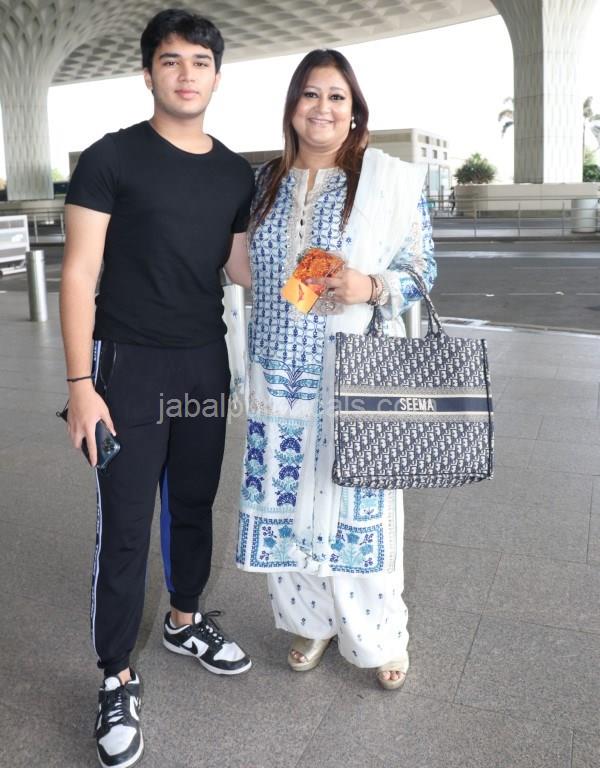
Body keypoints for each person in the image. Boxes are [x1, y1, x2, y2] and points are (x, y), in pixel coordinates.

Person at [60, 10, 254, 768]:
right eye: (171, 61)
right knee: (126, 525)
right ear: (149, 74)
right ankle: (115, 675)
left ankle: (184, 619)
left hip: (204, 363)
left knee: (194, 503)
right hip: (127, 369)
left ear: (216, 76)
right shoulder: (111, 158)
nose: (186, 74)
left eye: (200, 62)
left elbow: (239, 267)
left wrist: (326, 267)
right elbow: (79, 272)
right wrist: (82, 385)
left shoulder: (234, 172)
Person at [235, 49, 436, 690]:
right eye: (311, 94)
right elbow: (245, 268)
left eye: (336, 97)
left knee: (358, 504)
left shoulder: (384, 181)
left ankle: (379, 635)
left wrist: (369, 285)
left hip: (354, 369)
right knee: (285, 499)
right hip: (277, 369)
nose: (322, 107)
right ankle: (310, 621)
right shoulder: (262, 183)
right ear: (292, 106)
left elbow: (423, 271)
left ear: (355, 114)